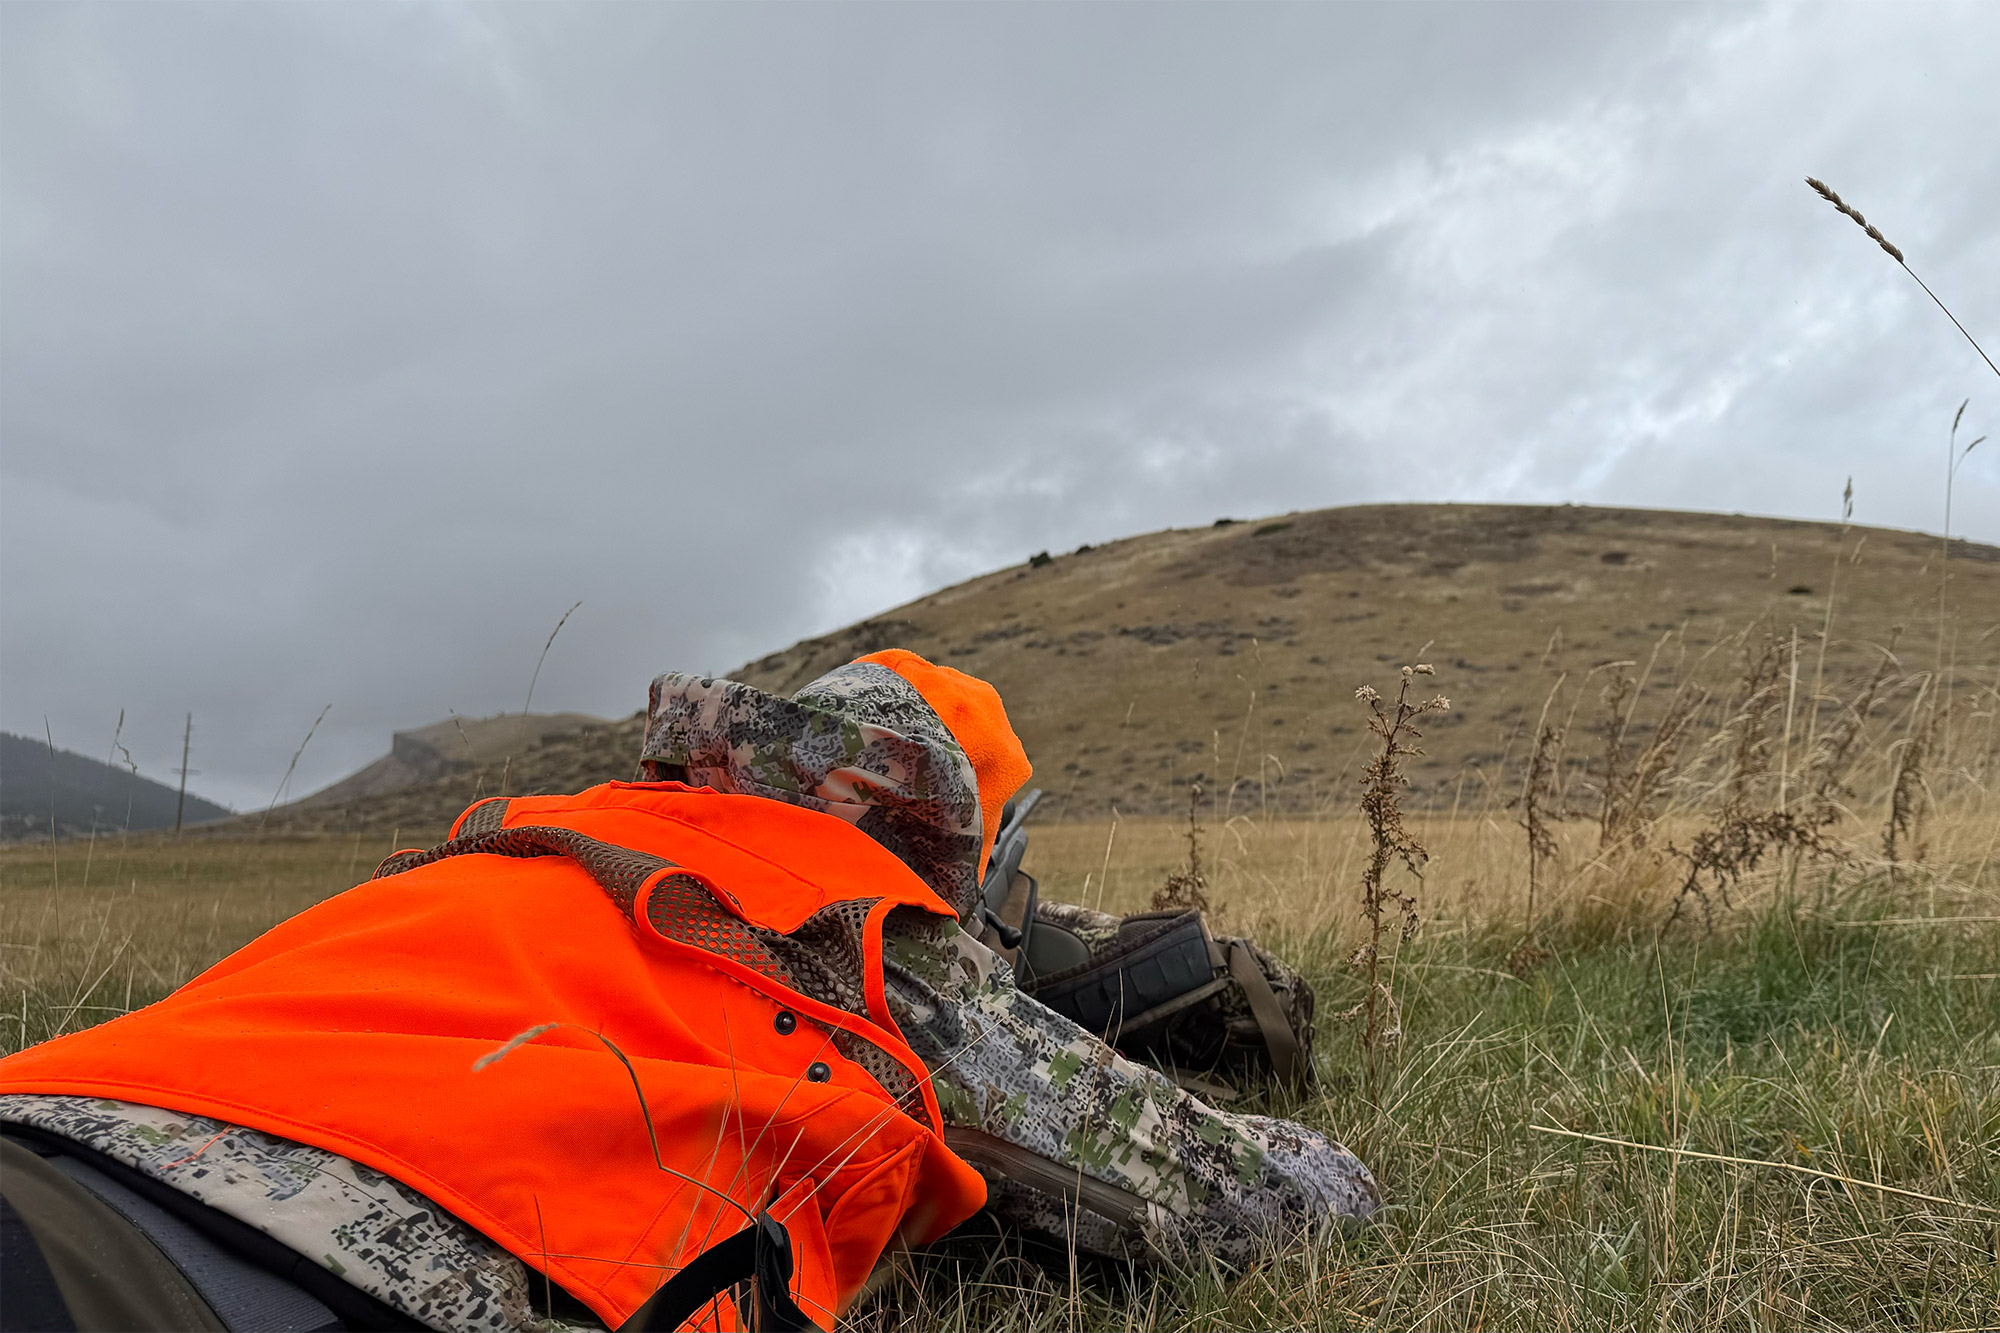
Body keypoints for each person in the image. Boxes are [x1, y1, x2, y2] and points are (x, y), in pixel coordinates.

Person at [0, 651, 1376, 1332]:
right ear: (961, 848)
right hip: (257, 1278)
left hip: (52, 1133)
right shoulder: (851, 913)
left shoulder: (518, 834)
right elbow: (1272, 1202)